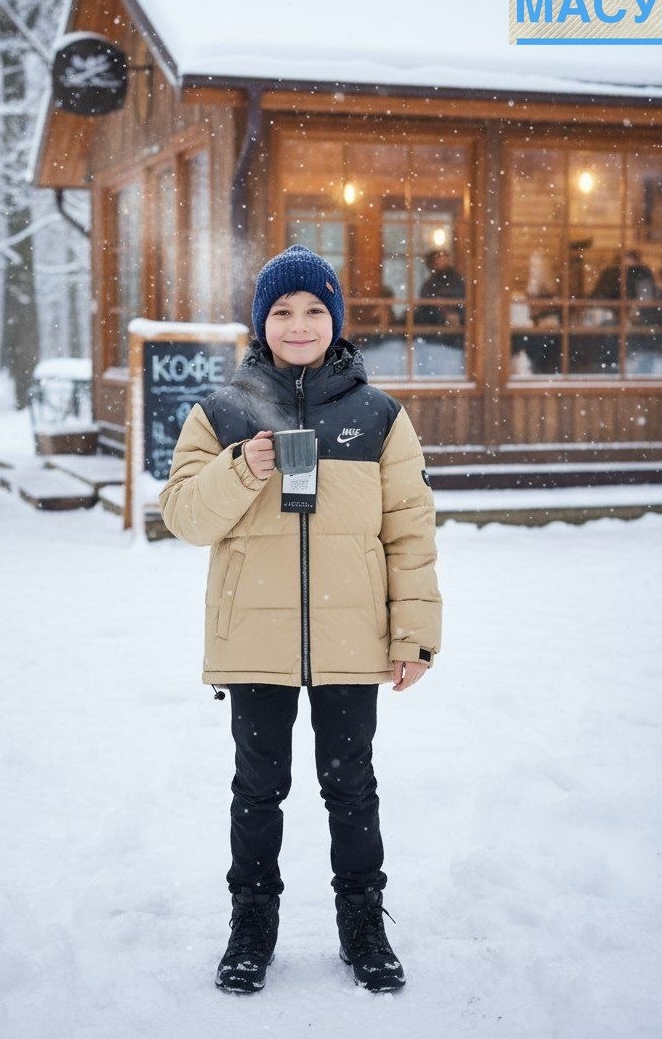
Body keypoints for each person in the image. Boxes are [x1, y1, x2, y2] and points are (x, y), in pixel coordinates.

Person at [159, 244, 442, 996]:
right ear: (261, 322)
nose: (298, 323)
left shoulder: (378, 417)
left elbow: (411, 531)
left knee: (352, 788)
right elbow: (183, 514)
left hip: (352, 640)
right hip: (254, 639)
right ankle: (252, 921)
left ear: (336, 320)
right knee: (258, 788)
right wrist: (240, 468)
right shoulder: (220, 414)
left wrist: (412, 634)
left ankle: (363, 920)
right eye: (281, 311)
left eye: (314, 309)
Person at [417, 249, 465, 327]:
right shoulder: (429, 285)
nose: (444, 260)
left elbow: (465, 300)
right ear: (432, 264)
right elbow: (425, 308)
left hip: (460, 327)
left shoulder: (458, 281)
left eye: (445, 257)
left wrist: (458, 316)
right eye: (439, 258)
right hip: (437, 329)